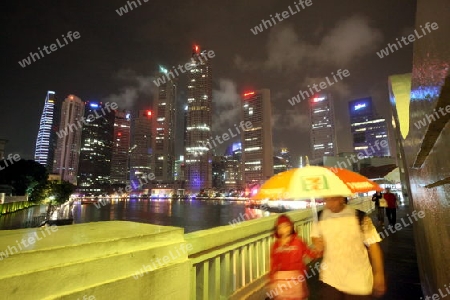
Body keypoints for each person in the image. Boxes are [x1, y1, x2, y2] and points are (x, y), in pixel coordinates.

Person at [311, 196, 386, 299]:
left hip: (358, 281)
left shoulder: (359, 217)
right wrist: (317, 242)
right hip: (330, 279)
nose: (328, 204)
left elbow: (373, 246)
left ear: (342, 198)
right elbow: (315, 237)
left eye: (332, 199)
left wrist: (379, 274)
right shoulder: (320, 217)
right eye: (326, 199)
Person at [268, 214, 321, 300]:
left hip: (295, 279)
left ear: (291, 227)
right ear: (277, 230)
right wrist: (271, 278)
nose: (283, 229)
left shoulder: (298, 242)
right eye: (280, 227)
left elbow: (309, 253)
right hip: (280, 280)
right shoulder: (275, 246)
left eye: (286, 226)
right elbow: (273, 263)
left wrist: (318, 251)